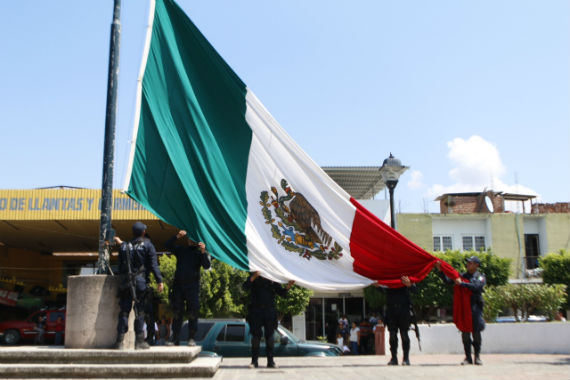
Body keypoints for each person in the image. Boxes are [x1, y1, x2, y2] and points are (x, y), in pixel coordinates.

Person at [113, 221, 164, 350]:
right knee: (140, 312)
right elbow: (153, 265)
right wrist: (159, 281)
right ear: (143, 232)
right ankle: (139, 341)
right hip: (140, 283)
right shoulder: (148, 245)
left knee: (124, 312)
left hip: (125, 283)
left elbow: (119, 265)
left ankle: (119, 341)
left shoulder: (124, 246)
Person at [435, 256, 486, 365]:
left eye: (470, 263)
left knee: (476, 332)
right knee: (465, 333)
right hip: (464, 308)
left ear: (476, 265)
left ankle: (477, 357)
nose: (468, 264)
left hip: (475, 308)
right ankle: (468, 357)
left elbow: (477, 287)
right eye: (467, 263)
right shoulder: (462, 276)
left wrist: (462, 284)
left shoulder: (480, 276)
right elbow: (448, 281)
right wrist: (441, 271)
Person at [165, 230, 211, 346]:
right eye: (190, 239)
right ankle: (175, 338)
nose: (191, 241)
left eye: (193, 240)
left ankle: (191, 338)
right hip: (178, 286)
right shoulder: (181, 250)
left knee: (192, 313)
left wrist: (203, 251)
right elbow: (168, 245)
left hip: (192, 287)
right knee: (177, 313)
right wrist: (177, 236)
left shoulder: (199, 253)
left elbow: (206, 265)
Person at [243, 271, 294, 368]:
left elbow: (282, 293)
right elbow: (245, 287)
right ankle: (254, 362)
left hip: (269, 311)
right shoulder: (255, 276)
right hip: (256, 310)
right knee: (256, 337)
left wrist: (289, 286)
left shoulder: (273, 277)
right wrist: (254, 276)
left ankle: (271, 362)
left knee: (270, 336)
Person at [375, 276, 416, 365]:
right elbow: (384, 290)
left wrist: (409, 285)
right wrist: (378, 286)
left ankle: (406, 358)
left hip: (403, 310)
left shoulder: (406, 276)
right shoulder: (389, 276)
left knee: (404, 335)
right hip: (391, 310)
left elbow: (415, 290)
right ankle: (394, 358)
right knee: (392, 335)